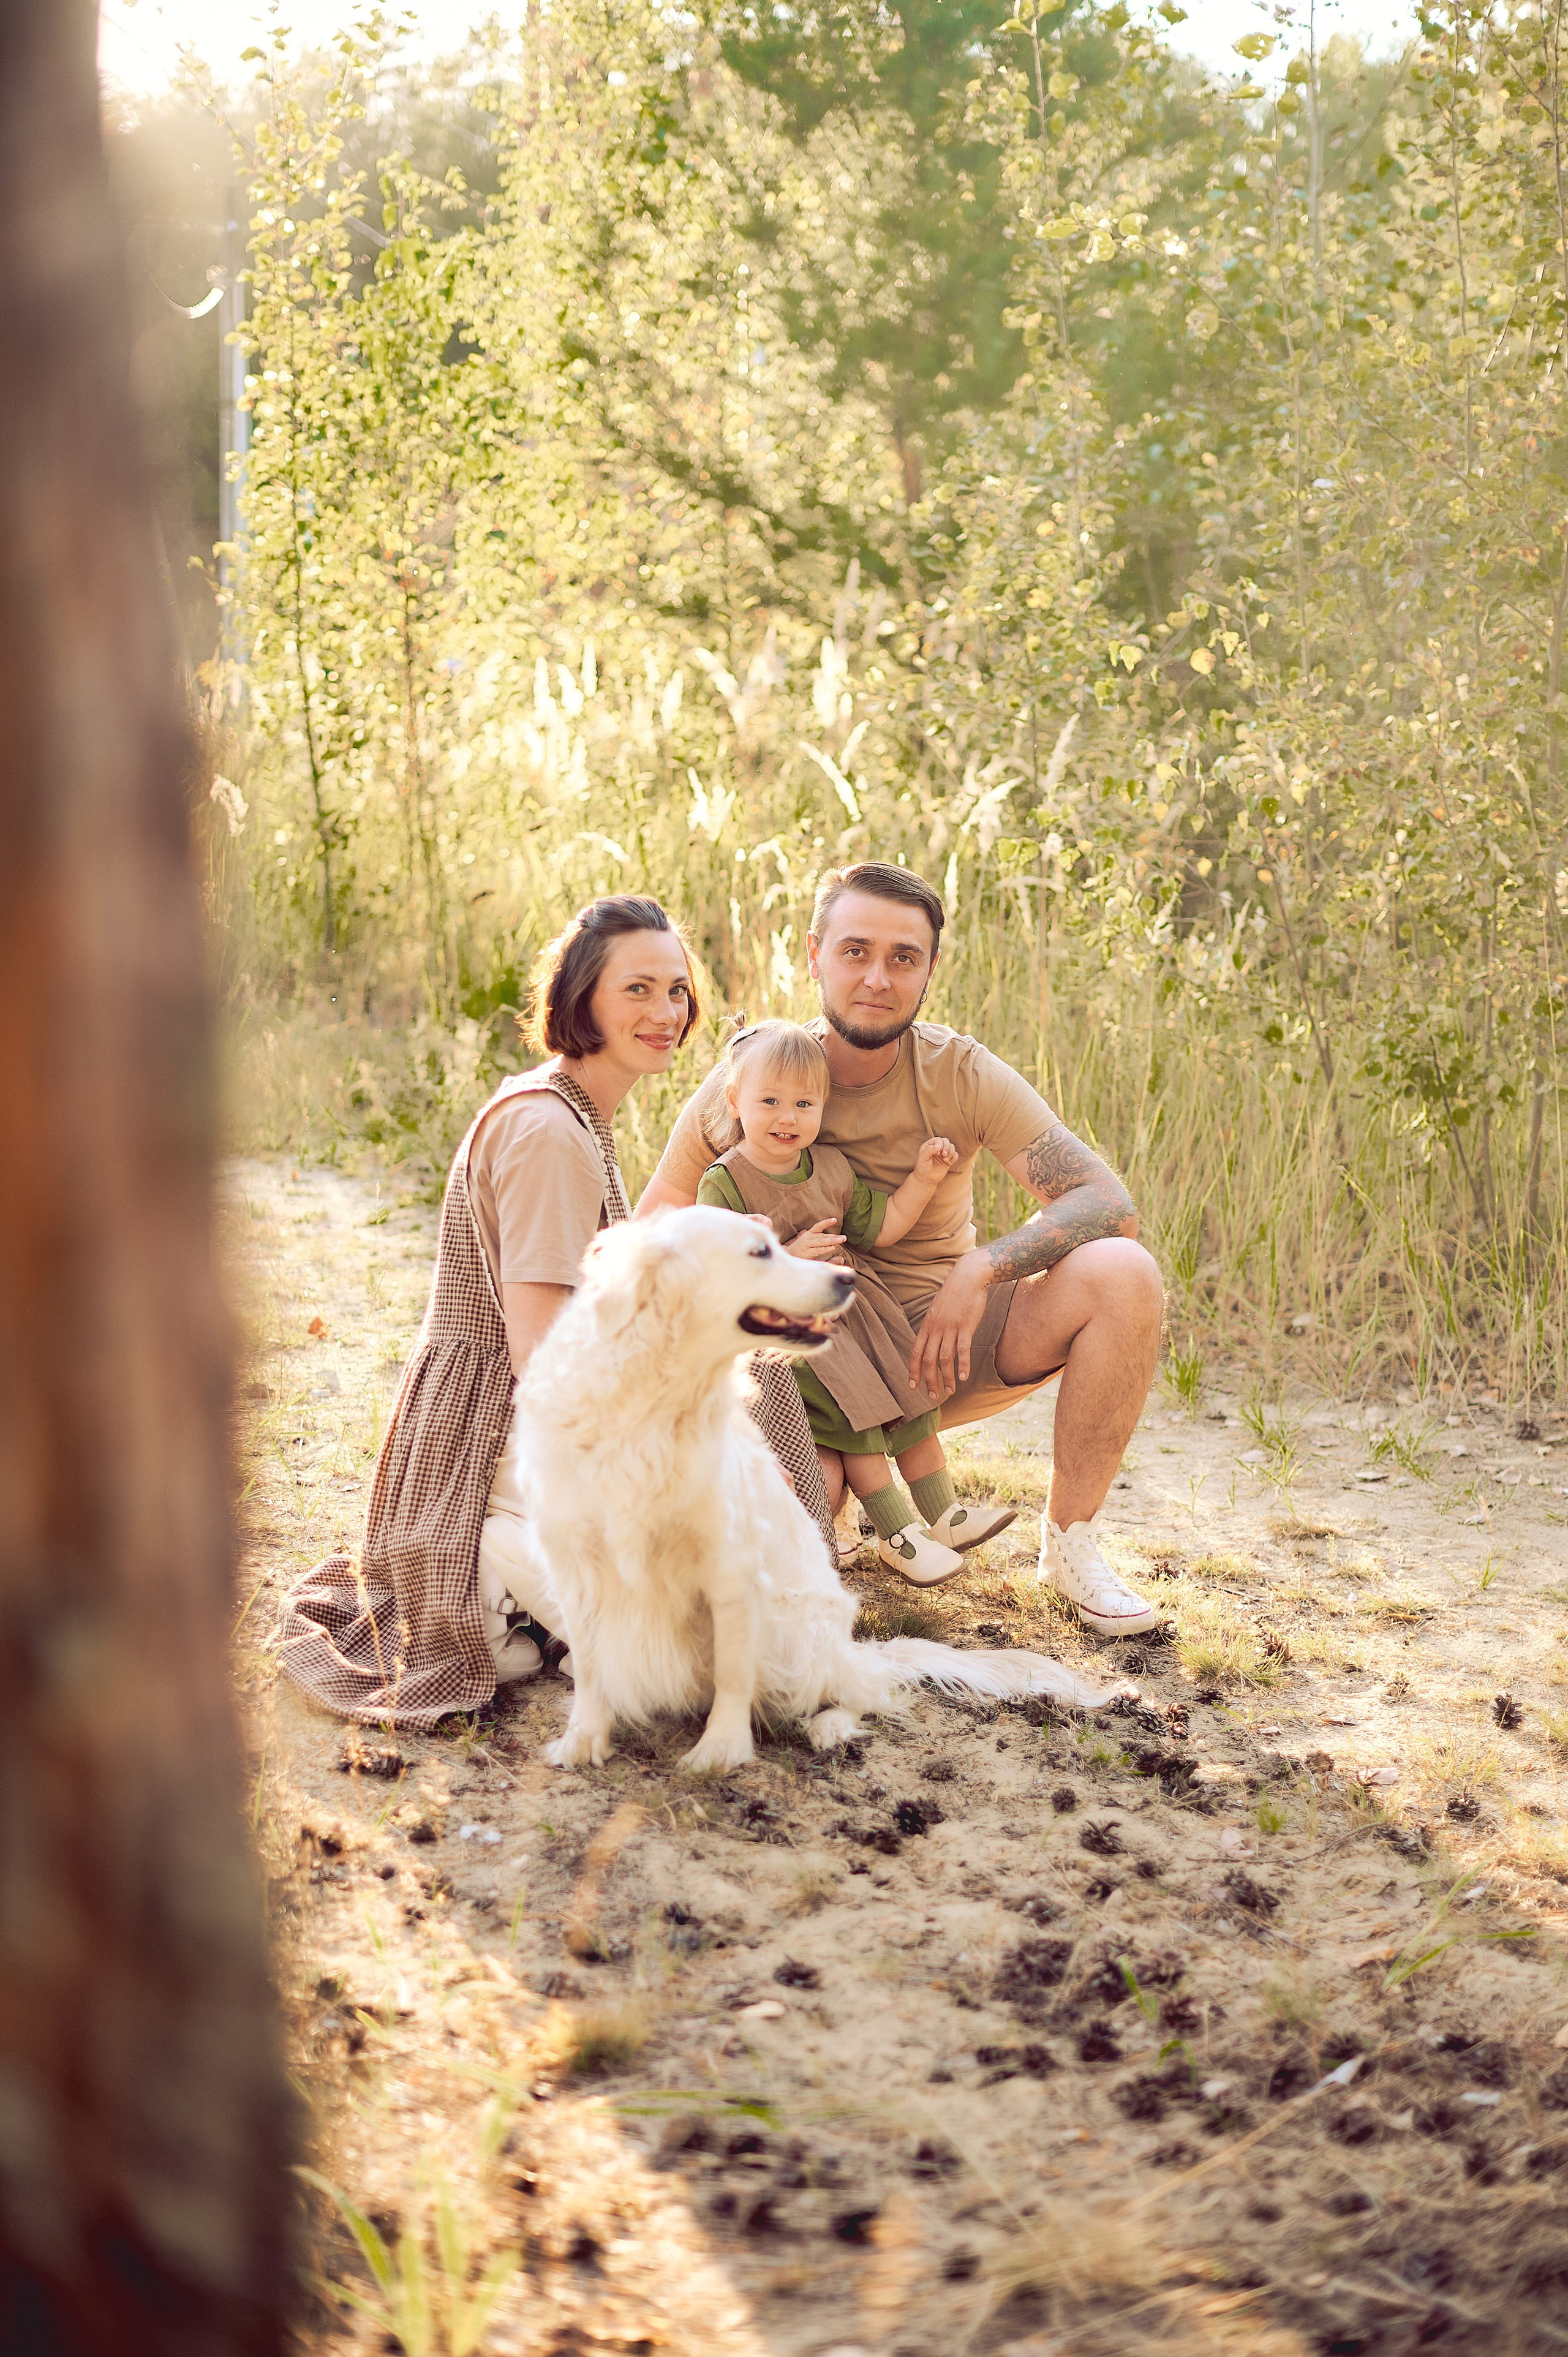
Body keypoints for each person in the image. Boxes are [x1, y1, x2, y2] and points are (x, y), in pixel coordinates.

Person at [278, 894, 835, 1728]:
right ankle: (488, 1569)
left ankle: (531, 1605)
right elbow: (546, 1364)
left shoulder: (577, 1113)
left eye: (677, 991)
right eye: (637, 989)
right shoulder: (548, 1134)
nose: (666, 1012)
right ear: (581, 998)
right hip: (489, 1427)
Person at [641, 861, 1166, 1636]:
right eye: (855, 951)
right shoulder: (756, 1079)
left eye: (903, 957)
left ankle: (1070, 1544)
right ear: (813, 952)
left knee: (1124, 1270)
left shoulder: (960, 1072)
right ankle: (852, 1513)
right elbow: (651, 1236)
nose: (877, 978)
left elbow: (1107, 1201)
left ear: (928, 970)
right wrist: (764, 1274)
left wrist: (981, 1267)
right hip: (801, 1366)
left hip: (933, 1349)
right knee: (795, 1524)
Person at [695, 1018, 1018, 1584]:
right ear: (735, 1100)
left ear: (824, 1108)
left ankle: (945, 1513)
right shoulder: (725, 1182)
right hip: (793, 1330)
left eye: (804, 1103)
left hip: (857, 1315)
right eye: (769, 1101)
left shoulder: (833, 1168)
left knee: (907, 1396)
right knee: (858, 1419)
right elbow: (717, 1273)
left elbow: (886, 1225)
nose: (787, 1117)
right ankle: (899, 1535)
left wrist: (925, 1177)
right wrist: (787, 1257)